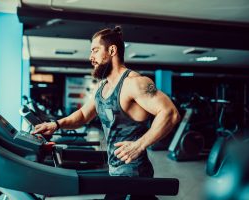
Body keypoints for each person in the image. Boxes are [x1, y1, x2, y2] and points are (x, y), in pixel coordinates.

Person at [33, 26, 180, 200]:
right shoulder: (102, 87)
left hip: (134, 175)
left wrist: (140, 145)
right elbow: (82, 115)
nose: (90, 57)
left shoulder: (135, 83)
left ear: (112, 50)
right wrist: (55, 124)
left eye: (95, 50)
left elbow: (170, 113)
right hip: (116, 172)